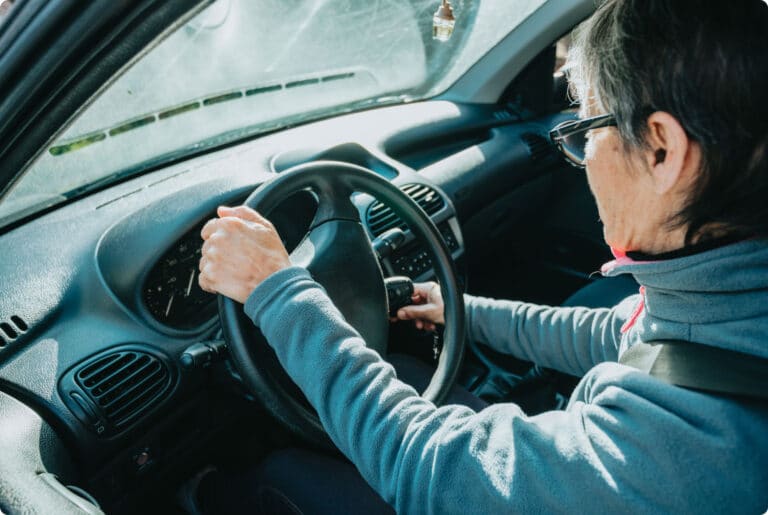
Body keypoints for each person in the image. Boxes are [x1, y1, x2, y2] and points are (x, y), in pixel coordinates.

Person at [195, 0, 768, 513]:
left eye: (587, 128)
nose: (582, 155)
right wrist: (459, 309)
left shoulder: (681, 448)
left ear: (662, 149)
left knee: (282, 475)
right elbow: (622, 337)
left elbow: (429, 468)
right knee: (409, 377)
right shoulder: (723, 298)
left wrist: (278, 291)